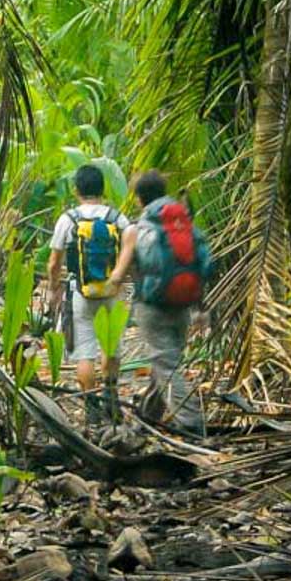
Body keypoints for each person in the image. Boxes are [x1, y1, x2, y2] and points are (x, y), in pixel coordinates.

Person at [109, 169, 209, 436]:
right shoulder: (186, 225)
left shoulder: (138, 229)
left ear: (139, 198)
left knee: (166, 365)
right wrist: (201, 308)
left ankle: (190, 421)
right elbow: (202, 264)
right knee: (165, 360)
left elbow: (121, 271)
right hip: (184, 304)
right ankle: (148, 416)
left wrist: (110, 288)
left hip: (152, 306)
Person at [47, 164, 129, 413]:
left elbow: (54, 263)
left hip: (80, 293)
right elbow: (129, 253)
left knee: (85, 352)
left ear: (76, 190)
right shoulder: (117, 218)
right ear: (103, 189)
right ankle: (111, 397)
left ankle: (91, 408)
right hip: (112, 291)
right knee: (110, 346)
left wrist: (53, 288)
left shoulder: (68, 219)